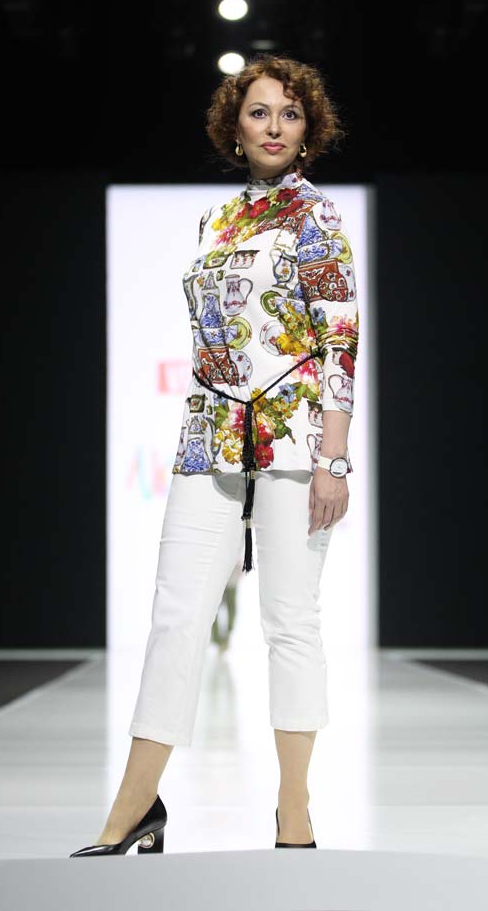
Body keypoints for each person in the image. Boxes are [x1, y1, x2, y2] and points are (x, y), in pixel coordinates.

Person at [70, 52, 359, 857]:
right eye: (259, 111)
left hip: (296, 438)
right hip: (209, 435)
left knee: (290, 620)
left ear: (308, 130)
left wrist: (335, 459)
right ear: (235, 126)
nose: (274, 126)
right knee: (175, 616)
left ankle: (294, 807)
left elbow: (339, 340)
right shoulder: (217, 221)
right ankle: (134, 806)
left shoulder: (318, 218)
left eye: (290, 113)